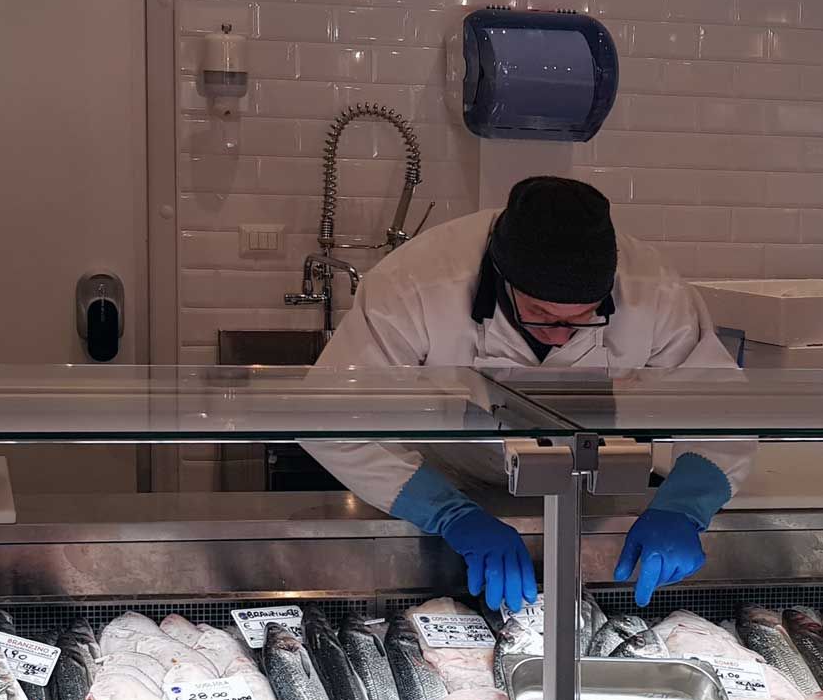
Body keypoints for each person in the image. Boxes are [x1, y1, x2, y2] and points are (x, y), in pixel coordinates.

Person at [303, 176, 749, 611]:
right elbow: (328, 417)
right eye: (541, 314)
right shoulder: (416, 284)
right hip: (449, 485)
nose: (560, 336)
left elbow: (722, 406)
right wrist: (448, 513)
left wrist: (684, 507)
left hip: (586, 491)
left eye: (583, 317)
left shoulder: (654, 291)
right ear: (502, 277)